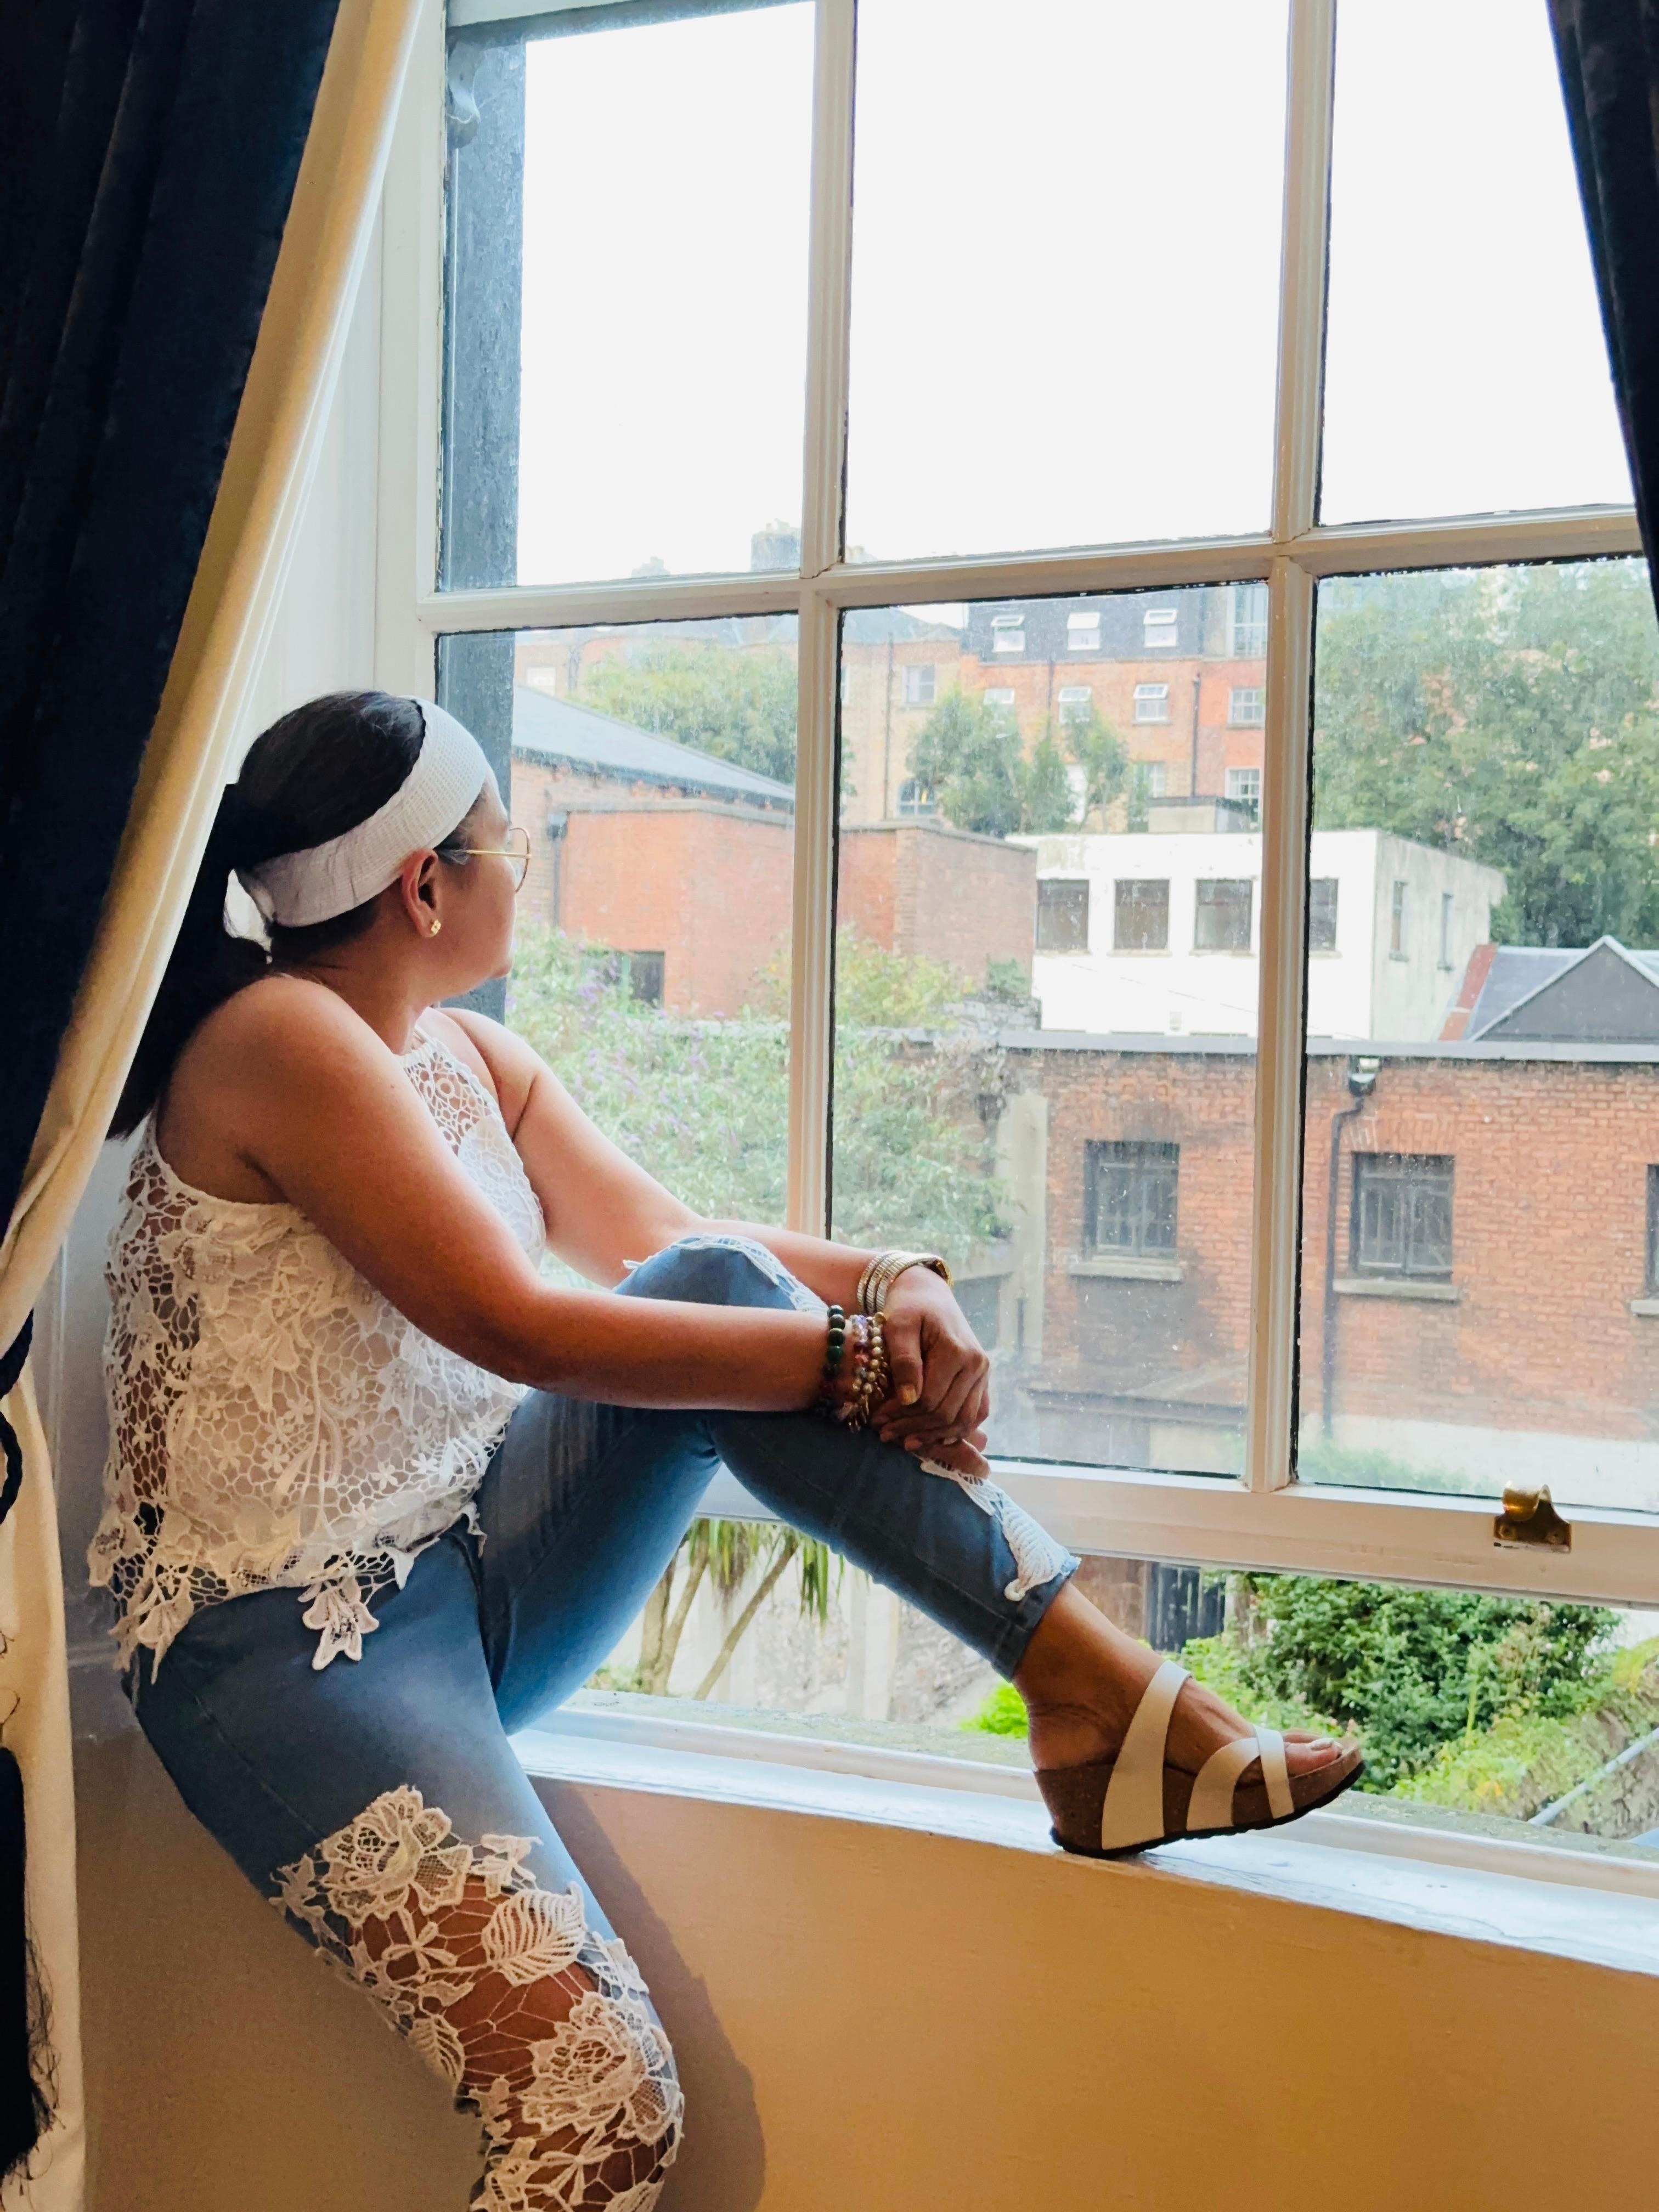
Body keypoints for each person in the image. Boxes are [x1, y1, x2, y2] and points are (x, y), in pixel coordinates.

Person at [95, 690, 1362, 2209]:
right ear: (426, 885)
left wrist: (893, 1282)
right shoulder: (276, 1037)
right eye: (508, 844)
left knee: (710, 1287)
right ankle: (1112, 1714)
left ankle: (1095, 1699)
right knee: (603, 2108)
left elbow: (674, 1249)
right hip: (285, 1651)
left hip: (471, 1570)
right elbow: (519, 1326)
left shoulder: (466, 1058)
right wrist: (853, 1358)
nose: (525, 870)